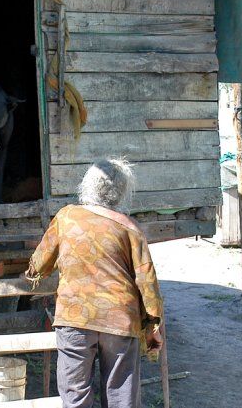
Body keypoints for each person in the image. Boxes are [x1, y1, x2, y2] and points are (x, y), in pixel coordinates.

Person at [24, 158, 164, 408]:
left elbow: (39, 264)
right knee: (122, 396)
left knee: (75, 395)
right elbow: (147, 282)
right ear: (121, 192)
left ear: (87, 186)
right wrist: (153, 325)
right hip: (120, 320)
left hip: (75, 317)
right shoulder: (130, 228)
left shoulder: (66, 217)